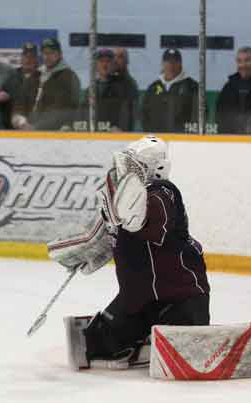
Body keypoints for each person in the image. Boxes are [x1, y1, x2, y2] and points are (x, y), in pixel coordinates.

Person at [48, 135, 210, 369]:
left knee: (181, 350)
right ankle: (144, 340)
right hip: (139, 297)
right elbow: (100, 237)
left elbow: (151, 225)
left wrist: (124, 214)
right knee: (96, 346)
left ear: (155, 168)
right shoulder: (119, 201)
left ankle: (151, 337)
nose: (125, 169)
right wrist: (80, 252)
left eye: (134, 164)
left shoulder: (164, 193)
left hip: (181, 296)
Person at [13, 38, 80, 131]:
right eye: (44, 53)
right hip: (29, 131)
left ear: (60, 54)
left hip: (54, 133)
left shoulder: (68, 77)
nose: (47, 57)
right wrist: (20, 120)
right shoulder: (36, 75)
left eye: (51, 53)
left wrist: (36, 127)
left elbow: (62, 111)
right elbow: (20, 103)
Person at [142, 49, 199, 133]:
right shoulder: (153, 87)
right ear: (162, 64)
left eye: (175, 62)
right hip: (157, 140)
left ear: (180, 64)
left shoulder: (192, 87)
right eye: (168, 62)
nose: (171, 65)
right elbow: (144, 114)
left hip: (182, 141)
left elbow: (198, 116)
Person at [81, 48, 137, 132]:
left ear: (113, 65)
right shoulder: (91, 88)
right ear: (96, 65)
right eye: (101, 61)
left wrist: (123, 129)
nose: (104, 65)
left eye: (107, 61)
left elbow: (128, 113)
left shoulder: (123, 86)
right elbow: (83, 112)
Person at [215, 46, 251, 134]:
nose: (243, 65)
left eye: (247, 60)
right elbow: (219, 113)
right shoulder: (230, 85)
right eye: (240, 61)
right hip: (232, 139)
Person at [0, 42, 40, 130]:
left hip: (35, 128)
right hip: (12, 129)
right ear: (21, 58)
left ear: (36, 60)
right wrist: (0, 98)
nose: (28, 60)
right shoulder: (11, 77)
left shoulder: (43, 78)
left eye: (31, 57)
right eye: (25, 57)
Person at [113, 47, 139, 129]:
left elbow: (131, 114)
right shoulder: (104, 80)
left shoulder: (130, 84)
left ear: (126, 61)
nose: (116, 60)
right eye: (114, 57)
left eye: (120, 57)